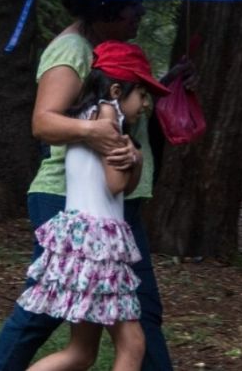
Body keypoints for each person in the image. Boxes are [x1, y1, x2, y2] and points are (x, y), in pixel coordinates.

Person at [0, 0, 178, 371]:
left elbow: (120, 101)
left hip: (111, 211)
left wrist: (168, 84)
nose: (139, 13)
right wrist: (99, 133)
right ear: (104, 8)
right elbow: (44, 121)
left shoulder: (108, 56)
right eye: (131, 6)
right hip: (69, 202)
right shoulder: (72, 49)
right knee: (45, 314)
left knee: (133, 318)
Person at [18, 40, 171, 371]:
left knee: (80, 353)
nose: (146, 105)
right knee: (132, 345)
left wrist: (136, 162)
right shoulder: (107, 120)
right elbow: (116, 183)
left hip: (85, 241)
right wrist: (136, 155)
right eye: (142, 94)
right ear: (116, 90)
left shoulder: (85, 117)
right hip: (98, 245)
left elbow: (123, 187)